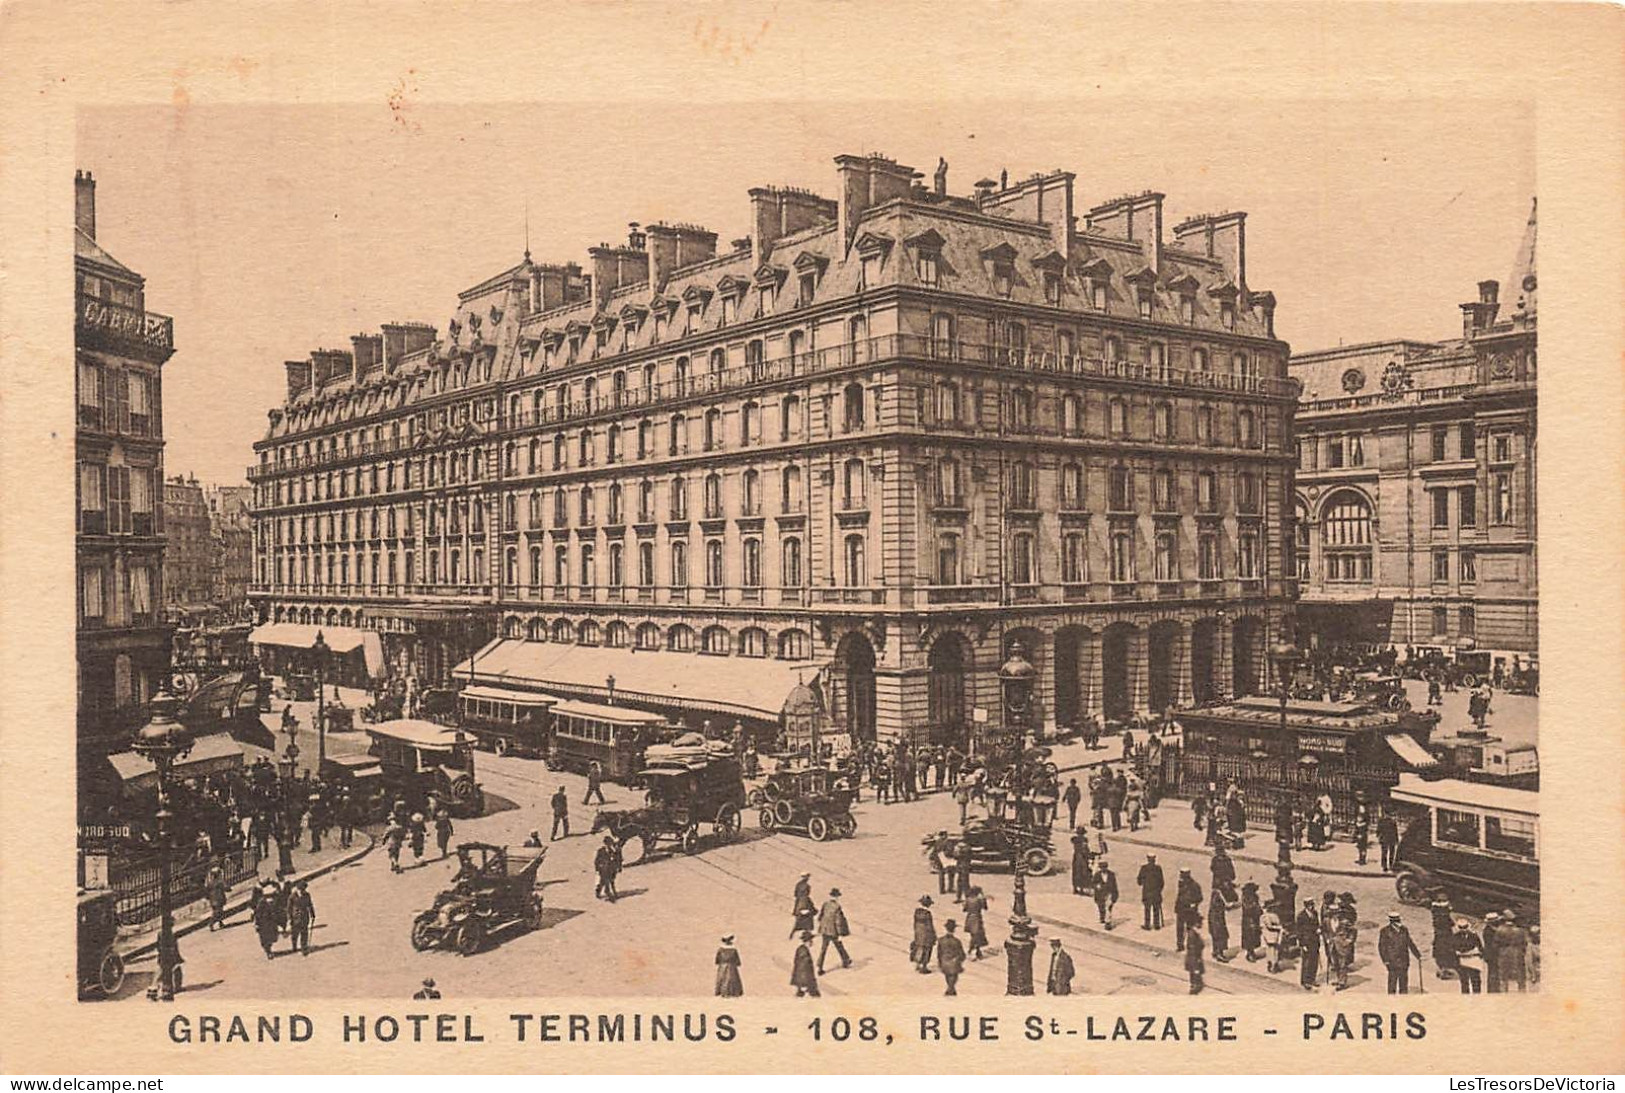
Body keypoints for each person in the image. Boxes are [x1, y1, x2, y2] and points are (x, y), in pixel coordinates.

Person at [1378, 911, 1423, 994]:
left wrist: (1418, 955)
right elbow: (1382, 947)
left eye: (1399, 920)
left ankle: (1403, 1001)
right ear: (1392, 922)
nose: (1399, 923)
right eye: (1396, 921)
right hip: (1392, 961)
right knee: (1392, 983)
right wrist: (1385, 960)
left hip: (1404, 960)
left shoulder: (1404, 930)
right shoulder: (1385, 931)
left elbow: (1410, 943)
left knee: (1403, 983)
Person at [816, 888, 852, 973]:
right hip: (833, 931)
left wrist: (823, 926)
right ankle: (846, 961)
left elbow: (820, 917)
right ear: (836, 897)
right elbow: (838, 921)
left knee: (823, 949)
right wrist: (839, 934)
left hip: (824, 930)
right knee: (839, 946)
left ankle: (819, 967)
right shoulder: (837, 907)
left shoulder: (825, 904)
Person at [1495, 912, 1528, 992]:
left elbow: (1496, 944)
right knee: (1520, 973)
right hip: (1517, 952)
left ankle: (1504, 991)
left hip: (1504, 952)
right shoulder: (1520, 931)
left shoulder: (1499, 930)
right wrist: (1522, 951)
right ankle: (1522, 990)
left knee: (1503, 975)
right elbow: (1524, 943)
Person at [1174, 868, 1203, 952]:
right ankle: (1180, 945)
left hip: (1189, 911)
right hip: (1181, 910)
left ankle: (1190, 945)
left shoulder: (1194, 885)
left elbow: (1200, 898)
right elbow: (1179, 897)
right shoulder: (1181, 884)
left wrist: (1194, 904)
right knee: (1180, 928)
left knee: (1189, 928)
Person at [1453, 919, 1485, 994]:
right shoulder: (1455, 937)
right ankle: (1465, 996)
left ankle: (1477, 995)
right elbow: (1453, 948)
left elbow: (1480, 947)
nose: (1463, 929)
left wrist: (1479, 954)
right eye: (1461, 928)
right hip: (1462, 961)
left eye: (1465, 927)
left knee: (1475, 980)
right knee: (1464, 981)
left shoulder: (1473, 936)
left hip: (1473, 960)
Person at [1296, 900, 1322, 991]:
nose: (1312, 907)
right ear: (1306, 906)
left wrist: (1318, 929)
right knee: (1306, 962)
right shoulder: (1301, 916)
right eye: (1310, 905)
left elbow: (1317, 924)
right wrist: (1302, 944)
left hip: (1315, 941)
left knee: (1314, 961)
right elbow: (1299, 931)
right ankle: (1305, 981)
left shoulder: (1315, 913)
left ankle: (1312, 979)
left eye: (1312, 905)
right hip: (1306, 942)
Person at [937, 919, 967, 996]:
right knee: (954, 975)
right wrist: (962, 959)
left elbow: (939, 953)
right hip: (954, 962)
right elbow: (961, 953)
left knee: (947, 974)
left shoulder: (941, 940)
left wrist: (940, 962)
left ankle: (950, 988)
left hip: (944, 961)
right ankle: (951, 988)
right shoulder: (956, 941)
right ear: (954, 930)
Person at [1208, 884, 1236, 962]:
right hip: (1217, 918)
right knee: (1220, 934)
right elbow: (1226, 906)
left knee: (1215, 934)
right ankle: (1219, 954)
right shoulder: (1218, 894)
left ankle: (1215, 951)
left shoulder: (1215, 892)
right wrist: (1235, 905)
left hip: (1214, 917)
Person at [1136, 853, 1164, 931]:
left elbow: (1139, 881)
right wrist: (1159, 890)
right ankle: (1157, 925)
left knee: (1147, 909)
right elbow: (1162, 882)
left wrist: (1143, 882)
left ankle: (1147, 925)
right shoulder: (1158, 868)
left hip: (1147, 893)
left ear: (1148, 859)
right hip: (1156, 893)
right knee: (1156, 909)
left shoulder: (1144, 868)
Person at [287, 880, 315, 956]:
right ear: (298, 889)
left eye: (304, 889)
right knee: (295, 934)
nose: (303, 891)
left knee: (304, 933)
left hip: (304, 917)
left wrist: (312, 914)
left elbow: (310, 905)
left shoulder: (307, 895)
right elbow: (289, 908)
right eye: (301, 889)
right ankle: (294, 946)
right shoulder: (292, 896)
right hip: (295, 918)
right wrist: (289, 918)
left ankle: (304, 948)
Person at [252, 885, 281, 958]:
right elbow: (257, 914)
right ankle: (268, 952)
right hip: (263, 923)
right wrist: (257, 924)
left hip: (271, 922)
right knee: (265, 938)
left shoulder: (274, 901)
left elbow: (276, 911)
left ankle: (269, 949)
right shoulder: (261, 903)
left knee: (272, 937)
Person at [911, 896, 937, 973]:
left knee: (919, 947)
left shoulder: (917, 911)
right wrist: (934, 935)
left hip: (918, 932)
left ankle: (917, 964)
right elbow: (929, 926)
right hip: (926, 933)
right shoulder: (928, 914)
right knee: (927, 949)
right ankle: (924, 966)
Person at [963, 887, 990, 959]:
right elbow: (985, 908)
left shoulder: (968, 900)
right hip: (977, 919)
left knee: (973, 935)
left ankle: (977, 951)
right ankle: (971, 950)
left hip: (969, 918)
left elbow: (964, 909)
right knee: (977, 935)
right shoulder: (979, 900)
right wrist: (983, 897)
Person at [1239, 882, 1264, 961]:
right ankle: (1250, 953)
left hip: (1254, 920)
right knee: (1249, 937)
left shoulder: (1255, 896)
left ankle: (1252, 952)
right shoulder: (1245, 897)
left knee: (1254, 937)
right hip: (1248, 921)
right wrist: (1257, 908)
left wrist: (1259, 909)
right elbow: (1247, 908)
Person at [1091, 858, 1119, 929]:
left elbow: (1114, 884)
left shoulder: (1111, 874)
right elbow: (1093, 883)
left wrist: (1115, 894)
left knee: (1108, 908)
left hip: (1109, 893)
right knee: (1101, 907)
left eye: (1105, 867)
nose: (1103, 869)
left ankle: (1108, 924)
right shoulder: (1097, 875)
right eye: (1102, 867)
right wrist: (1096, 886)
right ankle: (1102, 917)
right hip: (1100, 894)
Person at [791, 931, 820, 998]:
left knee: (803, 992)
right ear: (807, 941)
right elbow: (802, 966)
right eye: (811, 941)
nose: (812, 942)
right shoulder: (803, 950)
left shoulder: (803, 949)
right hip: (805, 977)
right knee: (812, 992)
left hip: (805, 976)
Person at [594, 836, 621, 902]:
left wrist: (618, 867)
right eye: (608, 843)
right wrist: (597, 868)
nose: (609, 844)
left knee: (607, 881)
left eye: (610, 843)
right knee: (607, 881)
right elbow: (596, 860)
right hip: (603, 869)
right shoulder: (601, 851)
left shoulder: (613, 851)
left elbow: (618, 859)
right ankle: (609, 893)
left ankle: (598, 890)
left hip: (611, 869)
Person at [1261, 902, 1285, 973]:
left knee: (1273, 950)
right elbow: (1269, 926)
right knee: (1272, 951)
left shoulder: (1266, 915)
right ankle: (1273, 965)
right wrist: (1279, 928)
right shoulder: (1267, 916)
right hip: (1270, 935)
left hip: (1272, 935)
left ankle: (1273, 964)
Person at [1483, 912, 1504, 992]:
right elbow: (1493, 944)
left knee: (1494, 971)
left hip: (1490, 954)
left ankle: (1494, 988)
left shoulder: (1490, 929)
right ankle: (1493, 989)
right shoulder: (1489, 931)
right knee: (1493, 972)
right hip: (1492, 954)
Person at [791, 872, 815, 938]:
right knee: (809, 917)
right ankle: (807, 933)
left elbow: (795, 894)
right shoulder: (807, 886)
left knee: (798, 919)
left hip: (798, 903)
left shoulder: (798, 885)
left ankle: (793, 933)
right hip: (804, 903)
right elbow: (807, 896)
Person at [205, 861, 228, 931]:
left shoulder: (210, 883)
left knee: (217, 911)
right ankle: (211, 923)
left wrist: (207, 897)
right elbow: (226, 888)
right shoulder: (220, 882)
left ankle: (220, 922)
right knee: (218, 912)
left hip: (212, 900)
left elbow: (207, 891)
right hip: (219, 899)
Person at [1185, 922, 1207, 995]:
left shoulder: (1193, 933)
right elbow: (1193, 950)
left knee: (1193, 972)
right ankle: (1195, 986)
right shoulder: (1193, 935)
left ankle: (1194, 985)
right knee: (1195, 971)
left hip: (1193, 957)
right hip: (1194, 958)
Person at [1070, 831, 1092, 897]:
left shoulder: (1075, 840)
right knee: (1083, 873)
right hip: (1082, 858)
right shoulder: (1084, 840)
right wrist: (1089, 856)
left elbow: (1072, 840)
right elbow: (1085, 850)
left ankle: (1075, 889)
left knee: (1076, 873)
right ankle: (1082, 890)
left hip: (1076, 857)